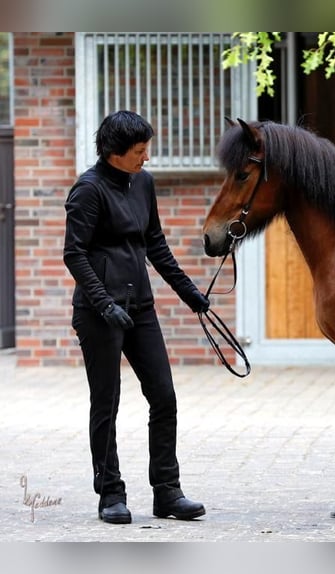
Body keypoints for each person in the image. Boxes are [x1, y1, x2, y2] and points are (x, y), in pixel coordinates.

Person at [63, 110, 209, 524]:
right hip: (99, 313)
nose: (147, 158)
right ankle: (110, 493)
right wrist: (103, 303)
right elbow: (74, 253)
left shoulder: (143, 183)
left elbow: (155, 245)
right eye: (140, 151)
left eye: (147, 149)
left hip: (140, 309)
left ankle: (167, 493)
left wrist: (190, 294)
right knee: (106, 403)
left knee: (164, 396)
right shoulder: (87, 190)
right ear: (115, 152)